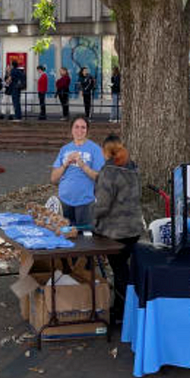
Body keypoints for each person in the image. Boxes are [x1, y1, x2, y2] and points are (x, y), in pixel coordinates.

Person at [91, 133, 142, 328]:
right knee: (124, 271)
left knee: (120, 272)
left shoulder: (109, 171)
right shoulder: (132, 167)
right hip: (133, 229)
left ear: (105, 151)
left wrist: (92, 219)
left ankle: (121, 314)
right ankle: (126, 310)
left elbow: (102, 205)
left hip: (116, 232)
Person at [50, 116, 104, 227]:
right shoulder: (65, 149)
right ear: (71, 129)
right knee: (65, 237)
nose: (79, 131)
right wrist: (65, 164)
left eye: (83, 127)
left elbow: (100, 178)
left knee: (85, 239)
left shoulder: (95, 149)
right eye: (76, 127)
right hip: (64, 200)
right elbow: (53, 178)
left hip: (85, 202)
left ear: (87, 131)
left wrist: (83, 165)